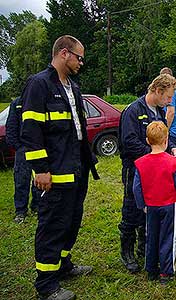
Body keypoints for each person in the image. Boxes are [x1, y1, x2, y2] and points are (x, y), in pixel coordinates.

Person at [20, 35, 99, 300]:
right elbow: (31, 131)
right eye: (79, 57)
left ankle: (63, 265)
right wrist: (40, 169)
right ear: (64, 53)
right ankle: (46, 284)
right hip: (53, 172)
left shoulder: (73, 87)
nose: (81, 62)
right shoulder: (39, 84)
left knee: (72, 221)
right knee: (53, 225)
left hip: (77, 169)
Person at [118, 73, 176, 274]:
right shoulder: (133, 111)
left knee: (150, 209)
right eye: (168, 97)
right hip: (135, 170)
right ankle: (126, 252)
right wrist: (155, 156)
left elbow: (161, 137)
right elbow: (129, 143)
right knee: (132, 209)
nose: (170, 102)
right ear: (158, 91)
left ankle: (145, 248)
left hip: (155, 172)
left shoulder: (159, 111)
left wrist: (171, 149)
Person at [133, 121, 176, 284]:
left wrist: (142, 206)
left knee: (152, 236)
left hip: (150, 206)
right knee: (168, 238)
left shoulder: (140, 163)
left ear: (147, 140)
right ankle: (166, 272)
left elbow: (136, 188)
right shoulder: (173, 162)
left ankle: (151, 269)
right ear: (166, 140)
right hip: (169, 205)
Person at [6, 96, 40, 223]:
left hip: (38, 148)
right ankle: (20, 211)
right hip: (23, 149)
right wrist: (19, 147)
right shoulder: (17, 104)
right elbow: (11, 128)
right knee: (21, 180)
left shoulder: (40, 100)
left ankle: (37, 206)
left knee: (39, 179)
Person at [159, 67, 176, 174]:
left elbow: (171, 112)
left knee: (174, 158)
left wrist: (164, 130)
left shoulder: (171, 92)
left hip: (173, 131)